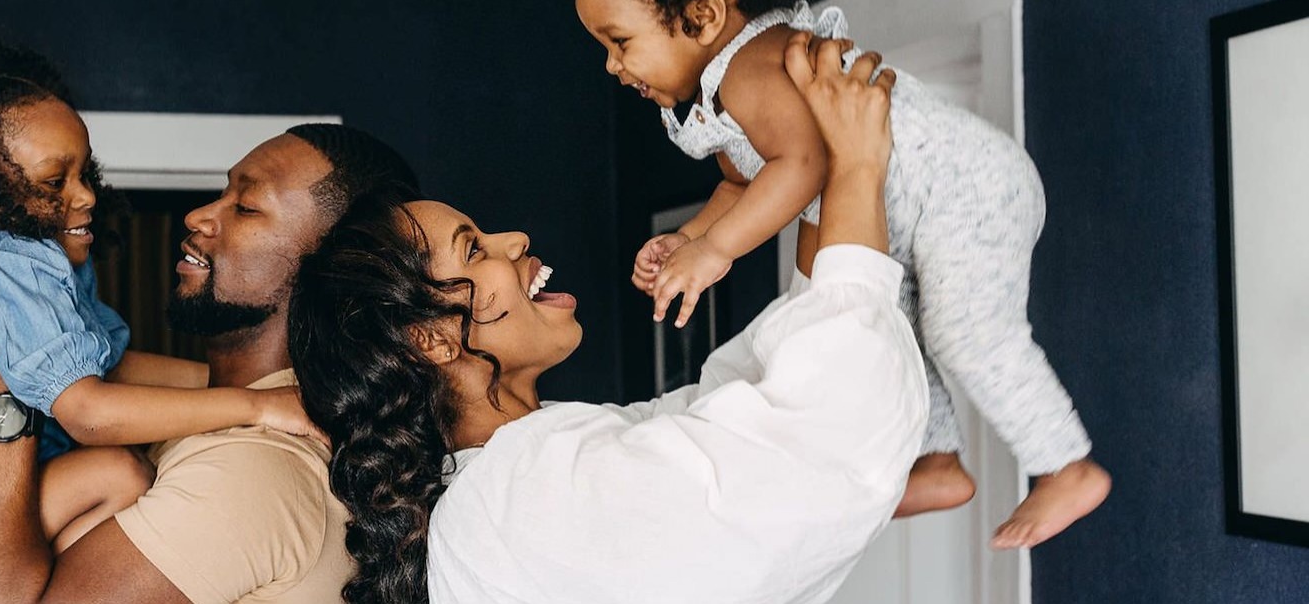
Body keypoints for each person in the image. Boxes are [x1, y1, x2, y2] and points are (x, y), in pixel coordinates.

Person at [290, 33, 924, 604]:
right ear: (428, 338)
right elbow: (826, 431)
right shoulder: (516, 498)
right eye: (474, 249)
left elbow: (744, 398)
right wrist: (859, 165)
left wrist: (819, 187)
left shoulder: (526, 473)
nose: (514, 239)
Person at [566, 0, 1109, 546]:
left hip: (964, 186)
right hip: (907, 212)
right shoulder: (721, 91)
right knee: (890, 331)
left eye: (619, 42)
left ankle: (1064, 464)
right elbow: (744, 182)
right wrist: (689, 239)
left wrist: (716, 250)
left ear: (703, 15)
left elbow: (802, 164)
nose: (611, 65)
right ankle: (935, 461)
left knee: (964, 332)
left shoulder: (753, 65)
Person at [0, 31, 322, 603]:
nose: (85, 196)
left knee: (117, 474)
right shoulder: (14, 268)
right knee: (117, 472)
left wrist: (274, 389)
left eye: (86, 173)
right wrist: (257, 406)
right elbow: (88, 411)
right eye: (53, 182)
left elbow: (113, 366)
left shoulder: (48, 267)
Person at [0, 125, 422, 603]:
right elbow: (108, 375)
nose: (199, 215)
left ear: (332, 267)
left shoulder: (247, 471)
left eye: (245, 207)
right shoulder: (238, 414)